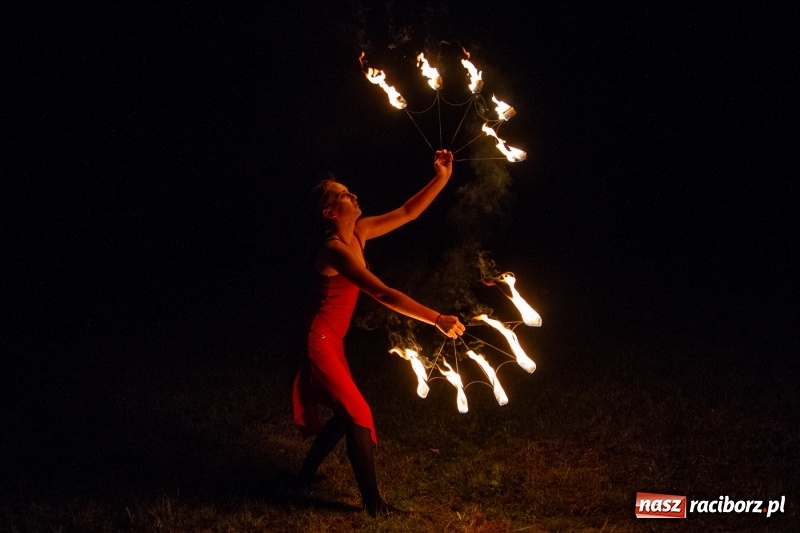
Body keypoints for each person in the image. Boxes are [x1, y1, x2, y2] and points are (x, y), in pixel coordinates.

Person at [292, 149, 465, 516]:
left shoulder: (360, 231)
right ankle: (374, 506)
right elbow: (382, 293)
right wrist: (436, 318)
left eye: (349, 191)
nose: (353, 196)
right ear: (329, 213)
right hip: (318, 341)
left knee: (344, 412)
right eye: (342, 195)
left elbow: (408, 212)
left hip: (333, 341)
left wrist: (441, 178)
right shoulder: (334, 250)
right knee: (356, 412)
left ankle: (304, 475)